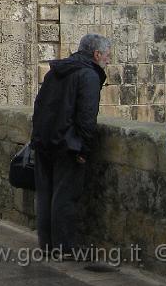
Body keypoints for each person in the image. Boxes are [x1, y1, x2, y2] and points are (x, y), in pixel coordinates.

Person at [30, 33, 111, 258]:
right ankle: (64, 248)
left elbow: (40, 106)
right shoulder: (89, 76)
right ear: (96, 54)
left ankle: (47, 245)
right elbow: (87, 117)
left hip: (44, 140)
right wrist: (84, 148)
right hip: (68, 145)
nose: (108, 60)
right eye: (106, 56)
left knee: (46, 195)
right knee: (65, 197)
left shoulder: (56, 71)